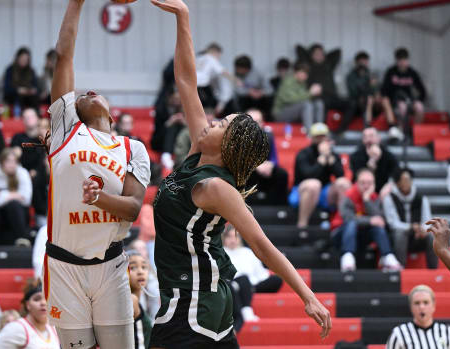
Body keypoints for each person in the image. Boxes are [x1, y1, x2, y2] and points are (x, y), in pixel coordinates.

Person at [149, 1, 331, 348]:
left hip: (192, 304)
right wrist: (183, 17)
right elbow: (187, 81)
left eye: (221, 124)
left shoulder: (215, 186)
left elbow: (262, 245)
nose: (212, 120)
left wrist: (308, 296)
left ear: (229, 145)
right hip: (201, 299)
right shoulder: (197, 156)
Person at [44, 1, 151, 348]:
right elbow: (64, 56)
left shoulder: (131, 148)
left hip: (111, 264)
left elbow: (134, 208)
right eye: (79, 95)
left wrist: (99, 198)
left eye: (94, 92)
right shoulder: (66, 130)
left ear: (112, 112)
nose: (86, 92)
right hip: (64, 265)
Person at [331, 168, 402, 272]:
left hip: (361, 235)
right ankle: (347, 258)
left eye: (369, 183)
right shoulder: (348, 195)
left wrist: (367, 200)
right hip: (341, 234)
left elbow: (379, 219)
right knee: (351, 224)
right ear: (356, 183)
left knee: (378, 228)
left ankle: (388, 257)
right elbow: (348, 218)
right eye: (363, 183)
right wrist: (369, 221)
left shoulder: (374, 197)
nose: (366, 186)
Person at [289, 123, 350, 228]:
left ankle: (342, 224)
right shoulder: (303, 153)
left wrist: (330, 159)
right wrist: (321, 160)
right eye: (318, 137)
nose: (321, 139)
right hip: (302, 190)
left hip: (324, 191)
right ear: (312, 138)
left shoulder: (332, 154)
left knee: (344, 183)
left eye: (323, 136)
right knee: (314, 184)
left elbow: (340, 175)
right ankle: (302, 225)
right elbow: (307, 175)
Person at [223, 225, 284, 329]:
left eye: (235, 237)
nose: (232, 240)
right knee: (242, 280)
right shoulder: (220, 253)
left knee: (276, 280)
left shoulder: (248, 252)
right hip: (231, 285)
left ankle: (248, 290)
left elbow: (261, 274)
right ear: (224, 239)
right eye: (229, 237)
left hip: (251, 284)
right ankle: (246, 310)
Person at [383, 168, 436, 268]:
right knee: (400, 234)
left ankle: (433, 271)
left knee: (432, 235)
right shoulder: (389, 198)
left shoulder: (421, 198)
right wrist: (411, 227)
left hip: (417, 236)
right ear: (397, 183)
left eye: (408, 179)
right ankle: (400, 269)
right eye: (403, 180)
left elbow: (428, 220)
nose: (406, 183)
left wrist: (422, 230)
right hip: (396, 237)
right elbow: (393, 223)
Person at [296, 44, 354, 134]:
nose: (319, 55)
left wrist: (322, 54)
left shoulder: (328, 65)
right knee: (320, 105)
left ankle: (340, 131)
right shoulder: (308, 66)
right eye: (316, 54)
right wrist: (310, 54)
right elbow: (298, 49)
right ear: (311, 55)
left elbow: (337, 51)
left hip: (332, 97)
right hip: (319, 98)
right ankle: (322, 134)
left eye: (321, 54)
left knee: (352, 103)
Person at [0, 148, 32, 246]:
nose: (12, 165)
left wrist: (1, 194)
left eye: (14, 161)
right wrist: (11, 195)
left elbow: (26, 199)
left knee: (14, 205)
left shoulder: (22, 173)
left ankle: (23, 240)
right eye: (8, 161)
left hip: (16, 213)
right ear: (1, 162)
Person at [10, 109, 50, 227]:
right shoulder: (31, 141)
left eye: (45, 127)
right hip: (31, 175)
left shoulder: (56, 145)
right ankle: (40, 216)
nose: (42, 130)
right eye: (40, 127)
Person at [0, 282, 60, 349]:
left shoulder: (54, 327)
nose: (43, 303)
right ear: (27, 305)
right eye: (37, 299)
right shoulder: (16, 327)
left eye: (47, 299)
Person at [386, 285, 450, 348]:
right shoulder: (399, 333)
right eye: (417, 303)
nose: (421, 307)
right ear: (411, 307)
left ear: (433, 306)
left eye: (426, 302)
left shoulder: (447, 332)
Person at [245, 109, 289, 206]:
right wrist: (255, 166)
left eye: (258, 121)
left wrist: (271, 165)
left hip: (264, 168)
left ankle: (279, 209)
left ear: (263, 123)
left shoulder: (268, 136)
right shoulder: (238, 137)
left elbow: (274, 158)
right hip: (244, 170)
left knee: (282, 174)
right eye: (252, 121)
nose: (255, 124)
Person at [345, 51, 396, 130]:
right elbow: (354, 93)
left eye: (365, 62)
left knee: (385, 100)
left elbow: (378, 89)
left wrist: (377, 95)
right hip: (359, 104)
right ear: (356, 63)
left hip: (374, 104)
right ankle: (367, 126)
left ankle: (392, 127)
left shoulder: (371, 74)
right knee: (369, 99)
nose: (363, 64)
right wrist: (369, 87)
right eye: (361, 62)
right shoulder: (351, 76)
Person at [381, 48, 427, 130]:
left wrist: (418, 100)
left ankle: (416, 131)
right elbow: (384, 90)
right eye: (400, 60)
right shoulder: (391, 72)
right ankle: (402, 131)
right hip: (395, 102)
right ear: (396, 60)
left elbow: (422, 90)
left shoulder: (412, 73)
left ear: (407, 60)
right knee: (402, 107)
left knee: (419, 107)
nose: (402, 62)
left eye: (404, 60)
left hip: (409, 100)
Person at [272, 61, 324, 132]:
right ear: (297, 72)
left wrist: (315, 94)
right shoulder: (288, 81)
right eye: (304, 73)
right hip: (281, 113)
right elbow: (291, 100)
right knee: (306, 105)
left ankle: (320, 130)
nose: (306, 76)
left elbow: (304, 98)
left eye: (307, 74)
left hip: (295, 111)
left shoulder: (302, 83)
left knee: (318, 103)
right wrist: (310, 93)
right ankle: (310, 133)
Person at [350, 127, 398, 197]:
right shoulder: (356, 156)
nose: (369, 139)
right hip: (363, 188)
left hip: (383, 189)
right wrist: (371, 162)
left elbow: (396, 173)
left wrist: (389, 185)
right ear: (363, 140)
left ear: (379, 138)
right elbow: (356, 178)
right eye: (365, 137)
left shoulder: (388, 156)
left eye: (371, 136)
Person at [196, 43, 234, 116]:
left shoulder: (198, 58)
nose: (219, 57)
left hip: (194, 84)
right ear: (215, 52)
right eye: (219, 55)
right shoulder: (211, 58)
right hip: (203, 85)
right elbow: (222, 71)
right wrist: (236, 80)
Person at [153, 86, 186, 170]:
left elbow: (189, 129)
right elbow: (158, 130)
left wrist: (183, 122)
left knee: (184, 129)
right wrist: (170, 121)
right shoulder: (161, 109)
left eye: (179, 99)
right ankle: (166, 155)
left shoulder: (184, 108)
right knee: (172, 126)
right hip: (160, 140)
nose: (177, 101)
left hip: (177, 140)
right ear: (169, 98)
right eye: (175, 99)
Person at [127, 250, 152, 349]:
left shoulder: (137, 300)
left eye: (144, 267)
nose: (140, 272)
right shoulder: (131, 300)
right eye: (133, 267)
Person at [4, 46, 40, 112]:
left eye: (26, 59)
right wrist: (18, 90)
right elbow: (7, 89)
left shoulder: (31, 70)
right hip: (14, 96)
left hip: (28, 96)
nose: (24, 61)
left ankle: (36, 117)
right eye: (22, 59)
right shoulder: (10, 70)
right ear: (17, 58)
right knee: (19, 97)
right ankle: (21, 117)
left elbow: (36, 87)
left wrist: (32, 90)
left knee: (34, 98)